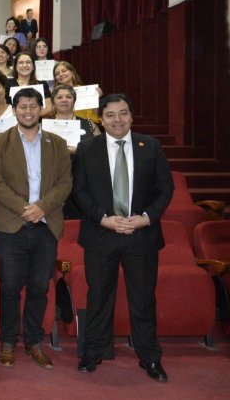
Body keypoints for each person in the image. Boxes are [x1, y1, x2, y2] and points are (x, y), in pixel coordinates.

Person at [72, 94, 174, 382]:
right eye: (110, 115)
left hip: (140, 235)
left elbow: (165, 189)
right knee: (99, 297)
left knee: (143, 299)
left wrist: (145, 218)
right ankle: (92, 353)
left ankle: (150, 357)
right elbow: (79, 191)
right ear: (100, 119)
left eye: (123, 113)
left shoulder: (150, 146)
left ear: (131, 116)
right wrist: (104, 219)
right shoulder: (87, 148)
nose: (117, 120)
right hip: (101, 234)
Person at [0, 88, 72, 370]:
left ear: (41, 109)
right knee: (9, 286)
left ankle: (35, 341)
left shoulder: (57, 143)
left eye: (33, 106)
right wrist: (27, 208)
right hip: (11, 225)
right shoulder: (1, 141)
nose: (28, 112)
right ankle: (8, 341)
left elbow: (65, 183)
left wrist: (42, 208)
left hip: (46, 225)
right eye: (22, 107)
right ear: (14, 109)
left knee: (39, 286)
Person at [47, 85, 100, 220]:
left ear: (74, 101)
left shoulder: (89, 124)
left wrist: (79, 151)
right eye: (59, 97)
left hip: (83, 178)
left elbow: (100, 150)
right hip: (52, 180)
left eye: (68, 97)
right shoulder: (44, 126)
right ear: (53, 102)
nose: (64, 100)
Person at [7, 52, 53, 117]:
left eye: (28, 62)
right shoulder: (7, 84)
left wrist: (29, 117)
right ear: (15, 67)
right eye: (21, 63)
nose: (25, 65)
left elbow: (49, 109)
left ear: (33, 66)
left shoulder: (42, 84)